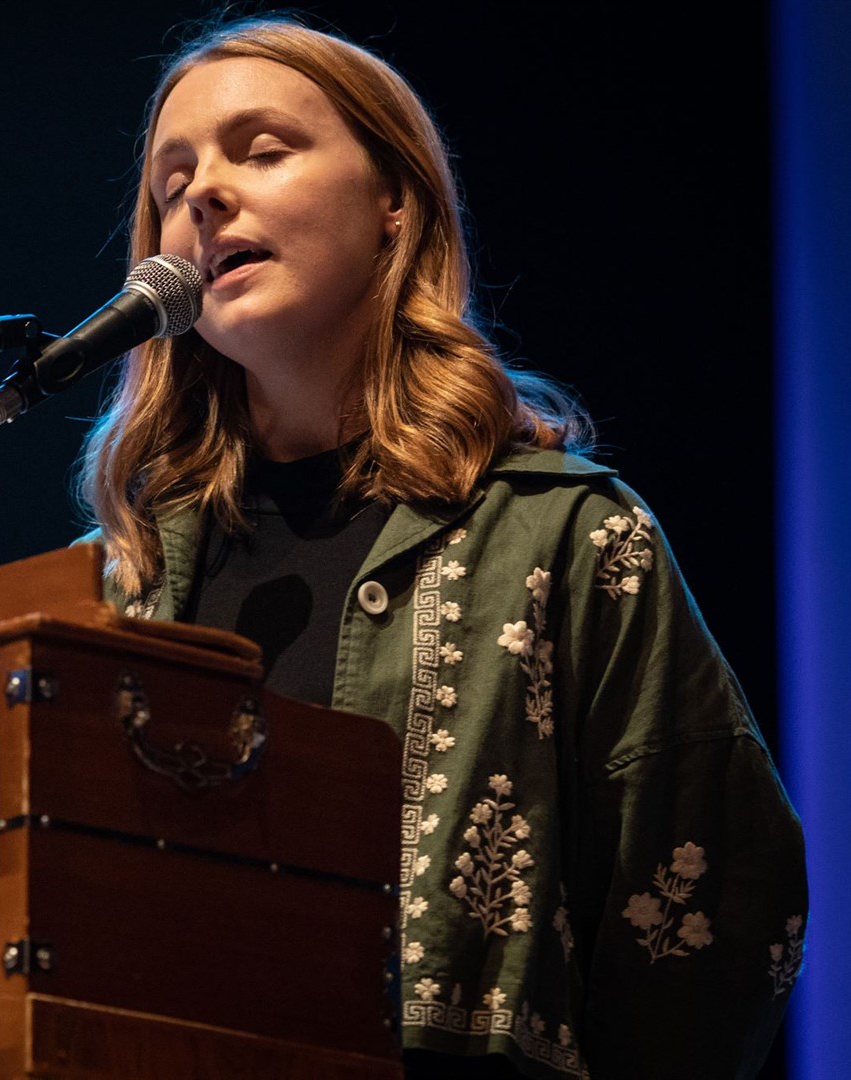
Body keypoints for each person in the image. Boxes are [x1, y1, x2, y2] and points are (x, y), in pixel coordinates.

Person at [76, 16, 807, 1079]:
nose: (202, 194)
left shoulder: (567, 534)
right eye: (172, 176)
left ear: (395, 205)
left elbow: (715, 911)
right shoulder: (120, 584)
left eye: (262, 150)